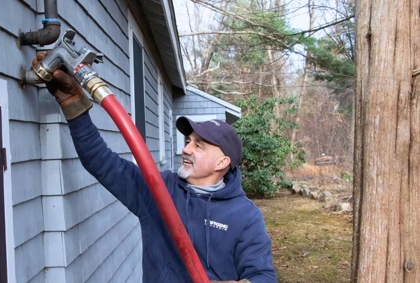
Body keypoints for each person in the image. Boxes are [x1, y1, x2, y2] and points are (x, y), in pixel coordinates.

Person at [33, 53, 277, 282]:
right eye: (188, 142)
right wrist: (74, 105)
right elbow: (100, 161)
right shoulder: (160, 190)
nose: (186, 149)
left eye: (199, 146)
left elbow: (263, 276)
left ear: (222, 163)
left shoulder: (245, 216)